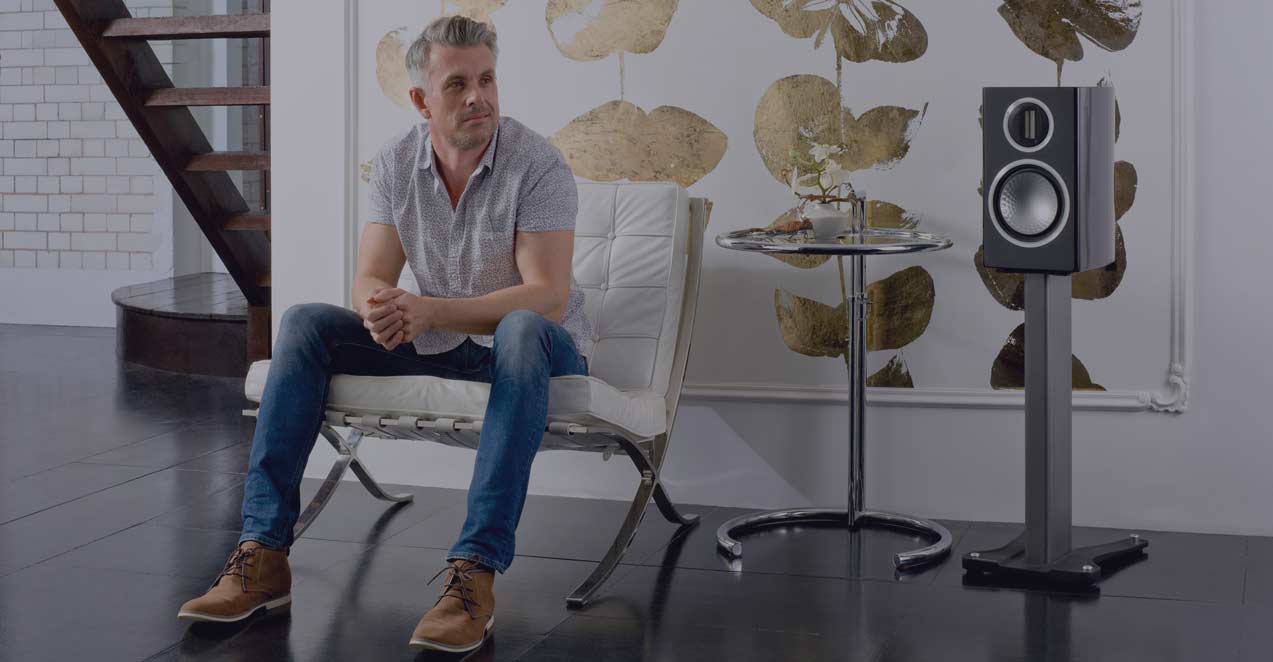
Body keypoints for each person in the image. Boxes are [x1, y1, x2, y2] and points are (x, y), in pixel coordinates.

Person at [176, 14, 592, 654]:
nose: (478, 97)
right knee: (306, 322)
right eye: (458, 85)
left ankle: (473, 575)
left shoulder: (537, 164)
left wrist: (430, 311)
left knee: (519, 326)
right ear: (422, 100)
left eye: (486, 79)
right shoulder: (398, 162)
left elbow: (548, 298)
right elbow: (370, 275)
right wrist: (381, 309)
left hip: (538, 352)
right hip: (443, 344)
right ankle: (263, 555)